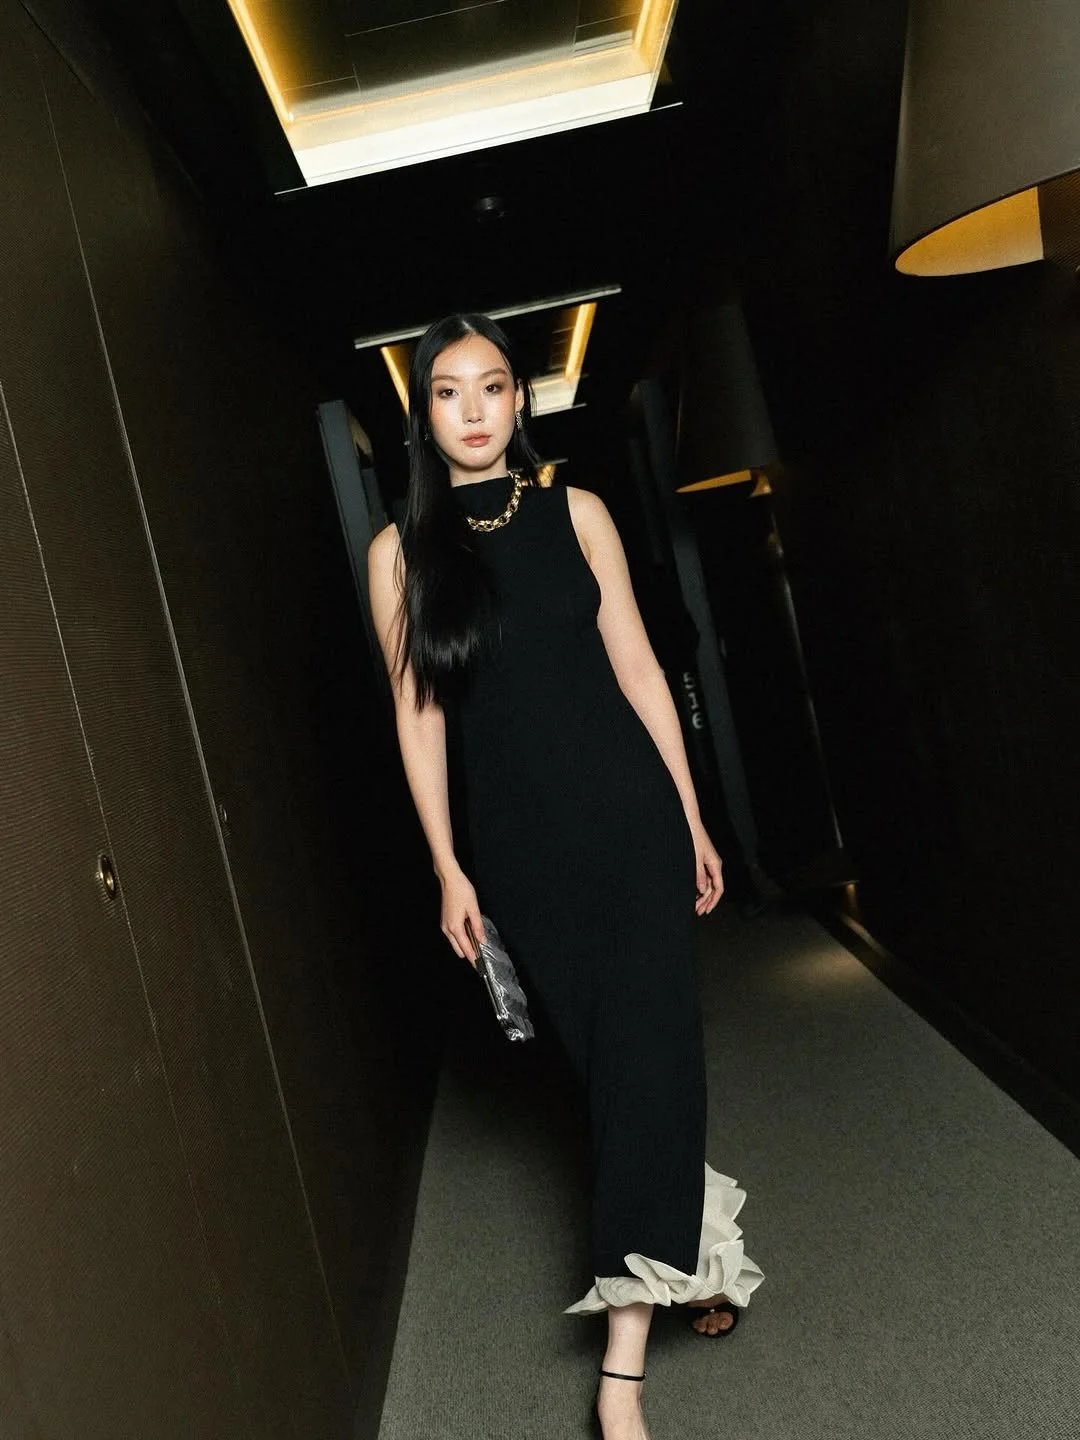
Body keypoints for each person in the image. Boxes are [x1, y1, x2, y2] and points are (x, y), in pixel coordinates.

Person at [368, 314, 763, 1440]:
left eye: (494, 386)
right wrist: (448, 867)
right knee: (614, 1074)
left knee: (652, 1050)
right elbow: (420, 718)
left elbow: (638, 662)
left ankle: (620, 1377)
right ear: (424, 415)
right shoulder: (400, 555)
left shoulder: (577, 512)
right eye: (449, 392)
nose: (478, 409)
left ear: (521, 399)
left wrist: (691, 813)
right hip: (525, 856)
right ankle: (705, 1258)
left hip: (632, 822)